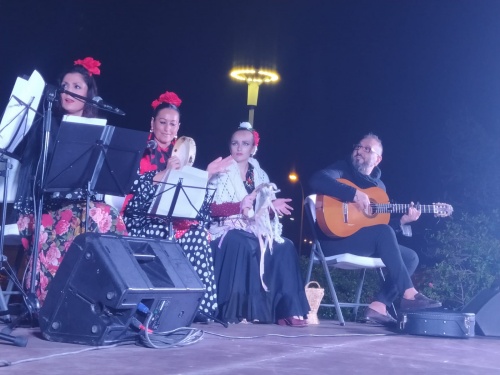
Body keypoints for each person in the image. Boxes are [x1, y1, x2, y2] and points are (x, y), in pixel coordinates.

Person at [14, 57, 127, 306]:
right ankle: (55, 300)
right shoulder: (45, 124)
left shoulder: (95, 130)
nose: (68, 91)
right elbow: (33, 174)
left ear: (89, 94)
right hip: (44, 206)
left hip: (79, 205)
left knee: (108, 214)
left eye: (77, 86)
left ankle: (98, 297)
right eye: (65, 85)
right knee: (95, 214)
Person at [308, 133, 441, 326]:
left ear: (378, 159)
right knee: (383, 233)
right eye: (358, 146)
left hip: (360, 240)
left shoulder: (379, 188)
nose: (359, 150)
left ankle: (378, 306)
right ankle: (410, 294)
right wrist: (353, 194)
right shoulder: (342, 168)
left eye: (367, 149)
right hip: (332, 241)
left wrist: (403, 221)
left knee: (411, 257)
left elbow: (378, 230)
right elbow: (317, 180)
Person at [122, 90, 232, 320]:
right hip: (142, 219)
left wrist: (206, 176)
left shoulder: (182, 155)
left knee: (198, 235)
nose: (167, 128)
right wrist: (165, 172)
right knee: (169, 233)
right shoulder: (139, 150)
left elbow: (191, 196)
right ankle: (164, 308)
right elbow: (131, 186)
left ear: (179, 127)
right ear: (152, 123)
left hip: (171, 217)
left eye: (172, 124)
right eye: (162, 122)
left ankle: (202, 307)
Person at [208, 122, 310, 327]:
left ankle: (286, 310)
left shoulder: (261, 175)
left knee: (285, 246)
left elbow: (261, 214)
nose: (239, 148)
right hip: (225, 228)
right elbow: (209, 208)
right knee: (242, 242)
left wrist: (271, 207)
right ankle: (237, 310)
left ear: (253, 149)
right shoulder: (220, 171)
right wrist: (238, 206)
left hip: (253, 228)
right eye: (235, 143)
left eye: (244, 144)